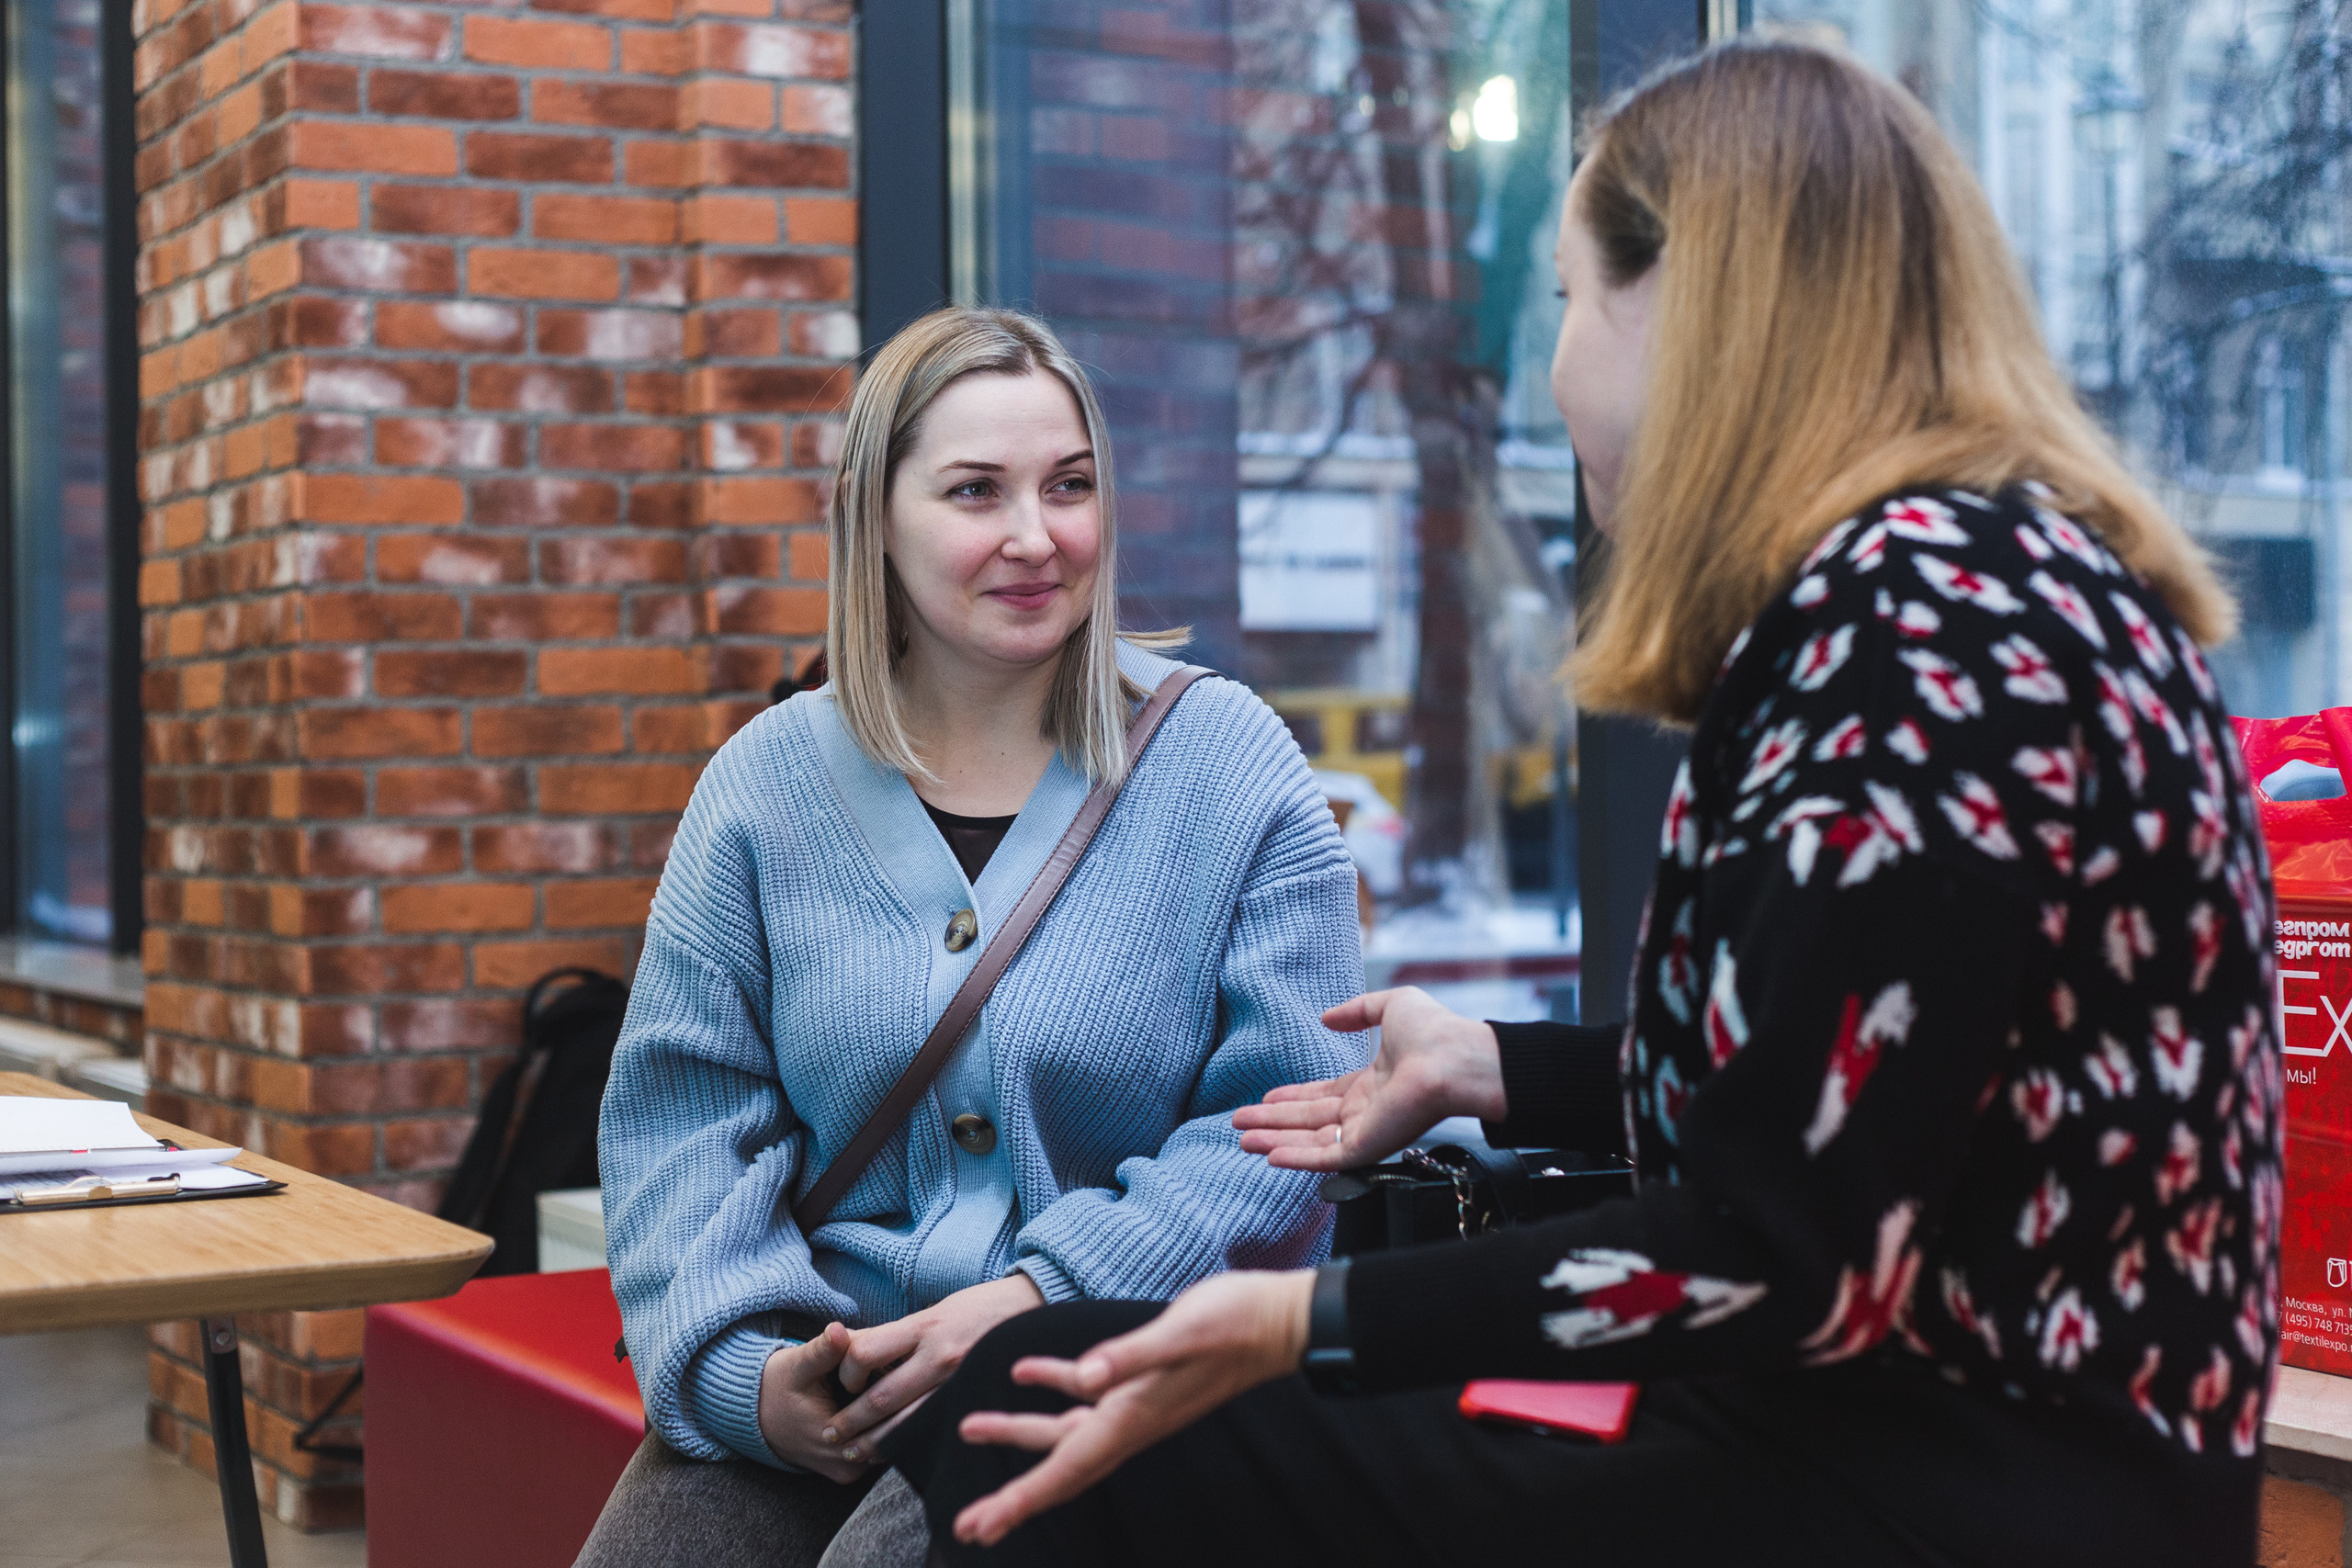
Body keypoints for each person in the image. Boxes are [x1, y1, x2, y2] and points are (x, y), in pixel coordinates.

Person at [883, 40, 2282, 1567]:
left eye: (1564, 303)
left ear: (1687, 309)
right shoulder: (2004, 581)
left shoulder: (1906, 628)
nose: (1550, 368)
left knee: (1016, 1405)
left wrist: (1305, 1321)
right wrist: (1498, 1068)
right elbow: (1858, 1098)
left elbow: (1774, 1249)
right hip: (1991, 1466)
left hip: (1923, 1486)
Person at [581, 308, 1366, 1568]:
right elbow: (686, 1121)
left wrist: (1034, 1301)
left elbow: (1293, 1118)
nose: (1033, 537)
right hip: (830, 1372)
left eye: (1069, 486)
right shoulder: (763, 786)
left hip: (1105, 1361)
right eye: (973, 491)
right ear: (871, 514)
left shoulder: (1229, 767)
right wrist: (751, 1378)